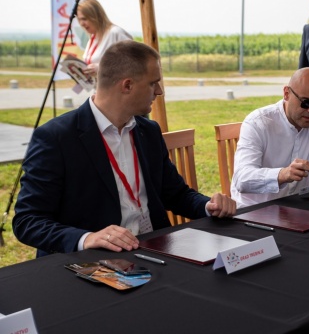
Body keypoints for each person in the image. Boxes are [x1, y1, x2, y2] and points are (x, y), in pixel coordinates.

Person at [13, 40, 236, 257]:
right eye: (153, 83)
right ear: (127, 85)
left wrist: (208, 206)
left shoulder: (148, 131)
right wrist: (87, 238)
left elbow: (175, 194)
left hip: (156, 250)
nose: (159, 91)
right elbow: (28, 220)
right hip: (94, 263)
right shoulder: (56, 137)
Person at [231, 68, 309, 207]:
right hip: (253, 211)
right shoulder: (258, 123)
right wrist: (282, 174)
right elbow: (242, 178)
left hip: (297, 208)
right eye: (306, 102)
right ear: (286, 94)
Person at [77, 0, 132, 77]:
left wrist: (102, 68)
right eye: (79, 20)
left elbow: (134, 61)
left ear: (95, 16)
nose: (81, 23)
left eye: (84, 19)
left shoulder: (115, 32)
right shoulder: (93, 37)